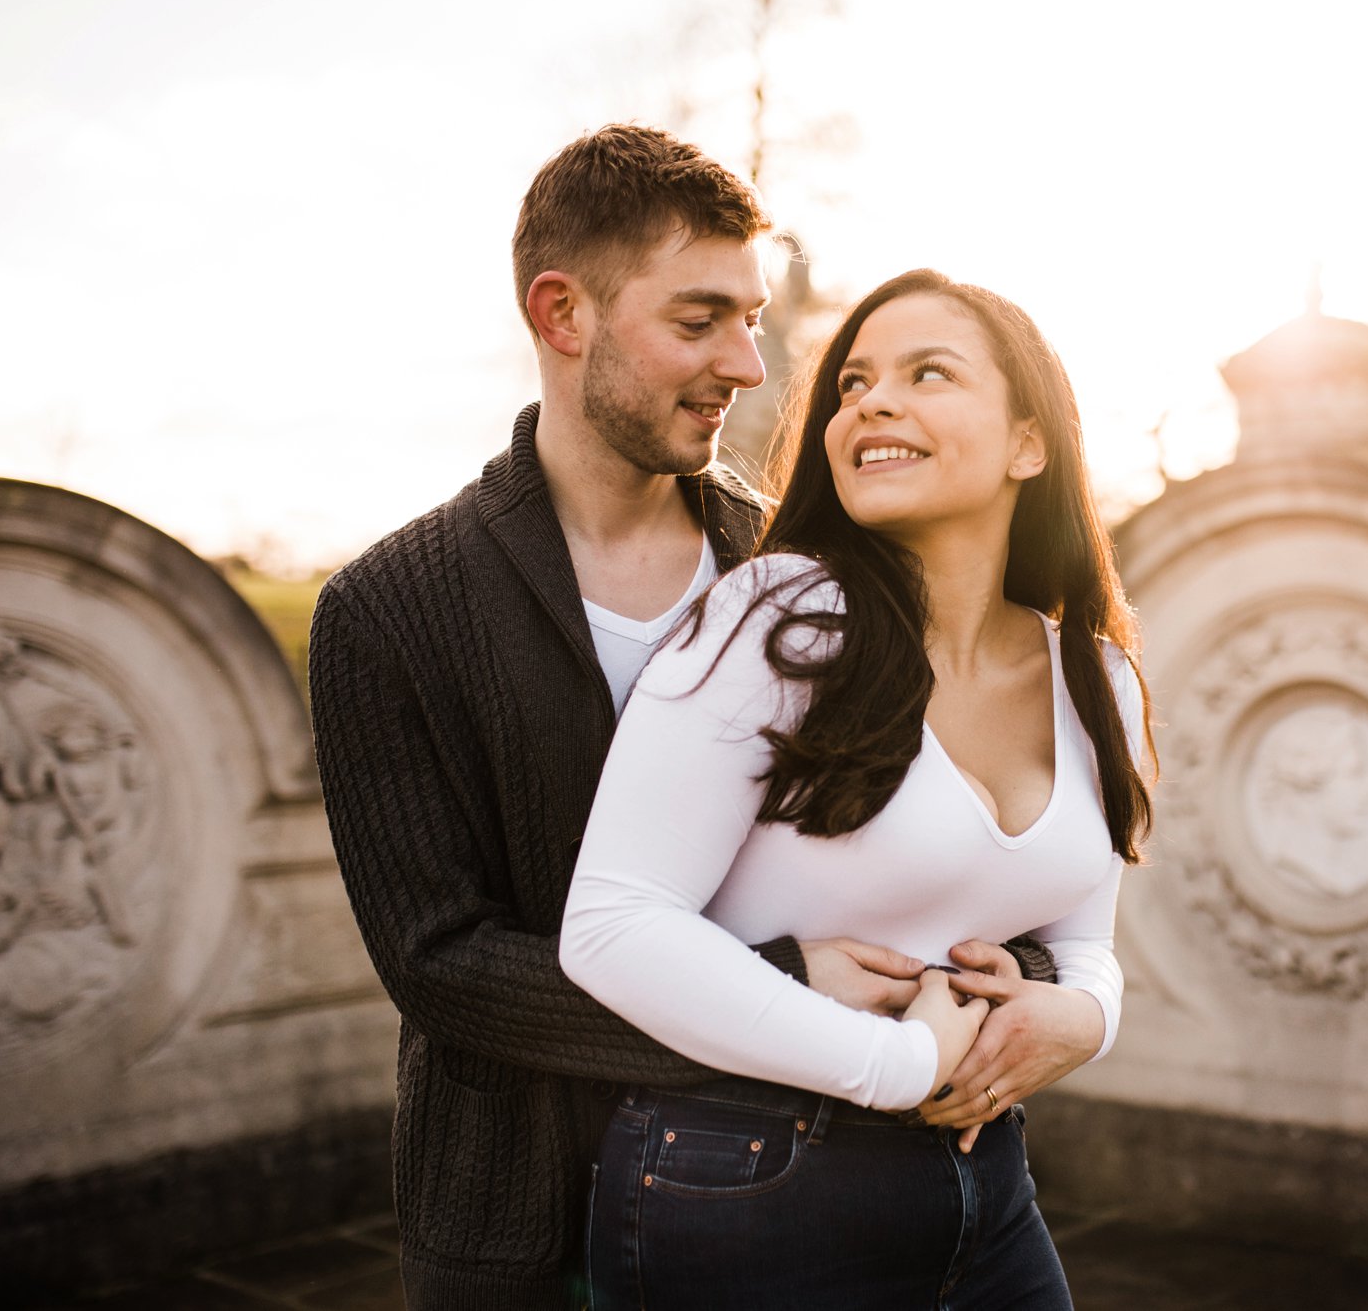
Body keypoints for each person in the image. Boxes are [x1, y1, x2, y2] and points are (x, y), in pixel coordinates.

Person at [308, 127, 1072, 1308]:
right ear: (562, 315)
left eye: (752, 318)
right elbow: (441, 962)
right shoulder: (389, 607)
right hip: (521, 1214)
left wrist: (1029, 981)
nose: (749, 364)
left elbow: (941, 819)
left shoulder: (801, 566)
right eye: (699, 319)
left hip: (801, 1189)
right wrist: (774, 986)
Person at [559, 268, 1155, 1308]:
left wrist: (1086, 1018)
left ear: (1028, 442)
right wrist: (897, 1062)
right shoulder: (776, 621)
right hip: (741, 1179)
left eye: (928, 373)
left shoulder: (1093, 676)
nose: (871, 401)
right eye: (852, 383)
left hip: (985, 1183)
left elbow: (1085, 940)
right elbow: (610, 923)